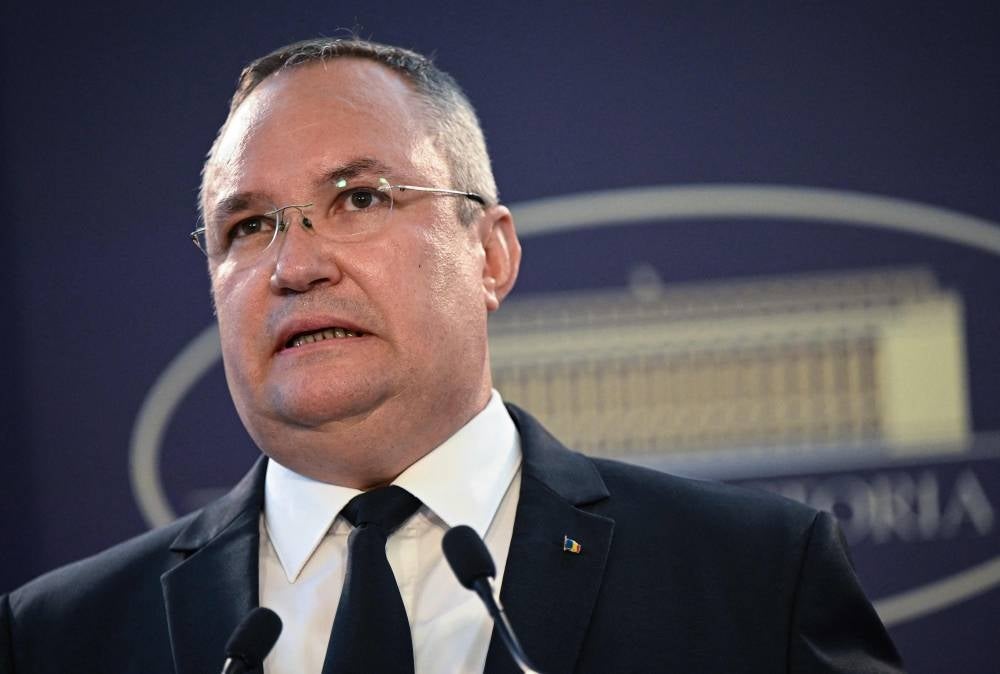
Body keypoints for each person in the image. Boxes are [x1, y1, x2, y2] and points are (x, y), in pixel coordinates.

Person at [0, 38, 904, 673]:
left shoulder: (752, 581)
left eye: (359, 198)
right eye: (248, 225)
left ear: (490, 253)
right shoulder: (57, 638)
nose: (295, 263)